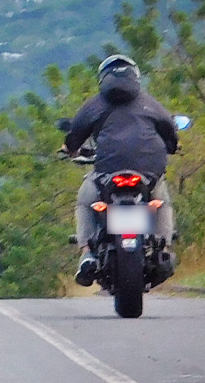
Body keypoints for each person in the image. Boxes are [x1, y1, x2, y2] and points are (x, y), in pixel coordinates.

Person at [63, 55, 178, 286]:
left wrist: (69, 149)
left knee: (85, 201)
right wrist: (173, 146)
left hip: (107, 170)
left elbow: (75, 133)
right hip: (149, 171)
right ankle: (163, 247)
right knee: (161, 202)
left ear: (102, 78)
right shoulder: (149, 103)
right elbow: (169, 128)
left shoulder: (94, 104)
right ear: (135, 77)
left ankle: (86, 253)